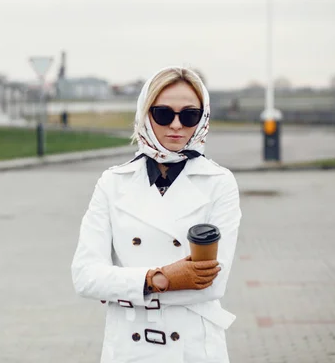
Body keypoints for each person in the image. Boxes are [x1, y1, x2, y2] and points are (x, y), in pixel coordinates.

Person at [71, 67, 242, 363]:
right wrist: (160, 278)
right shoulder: (113, 182)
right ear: (145, 114)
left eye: (189, 116)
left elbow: (213, 283)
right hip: (129, 346)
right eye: (163, 114)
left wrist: (121, 286)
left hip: (193, 347)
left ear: (202, 119)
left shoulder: (219, 182)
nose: (176, 125)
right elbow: (85, 277)